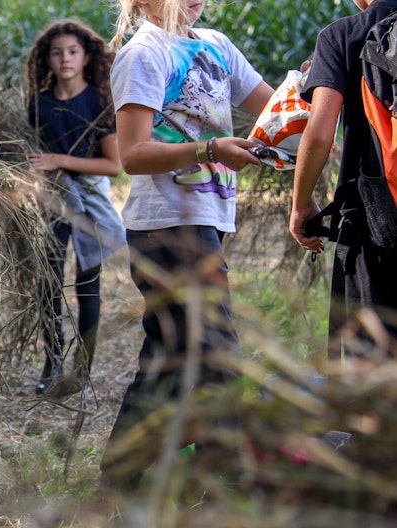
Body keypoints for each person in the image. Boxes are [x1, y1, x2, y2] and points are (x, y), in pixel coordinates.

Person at [98, 0, 273, 490]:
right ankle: (227, 482)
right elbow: (133, 155)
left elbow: (272, 107)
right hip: (167, 227)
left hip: (205, 220)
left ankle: (122, 470)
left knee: (169, 356)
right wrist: (210, 148)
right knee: (217, 355)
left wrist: (312, 84)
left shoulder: (215, 45)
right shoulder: (143, 54)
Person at [23, 19, 126, 397]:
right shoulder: (38, 104)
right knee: (47, 283)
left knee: (88, 287)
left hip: (90, 202)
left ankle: (82, 371)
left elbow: (113, 165)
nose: (64, 59)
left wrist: (57, 160)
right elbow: (31, 156)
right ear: (46, 59)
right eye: (56, 52)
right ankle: (51, 364)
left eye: (72, 51)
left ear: (86, 57)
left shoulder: (100, 101)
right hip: (51, 201)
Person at [290, 0, 397, 360]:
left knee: (372, 369)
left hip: (374, 226)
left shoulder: (342, 35)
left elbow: (320, 135)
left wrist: (301, 204)